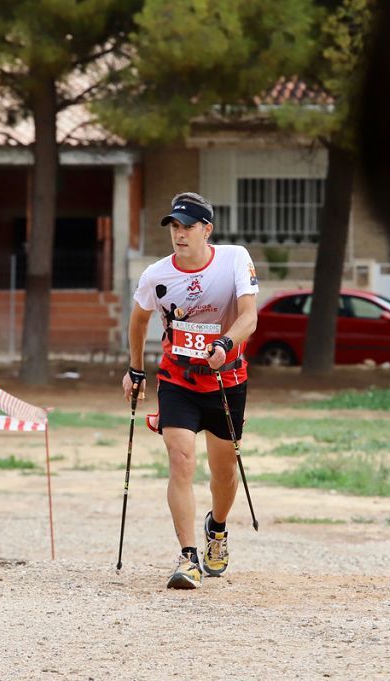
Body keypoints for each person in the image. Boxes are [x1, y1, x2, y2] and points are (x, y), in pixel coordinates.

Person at [121, 191, 259, 589]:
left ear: (207, 230)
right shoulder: (157, 275)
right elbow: (138, 320)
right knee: (181, 460)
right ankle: (188, 557)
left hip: (225, 380)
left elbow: (249, 317)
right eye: (175, 228)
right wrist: (135, 369)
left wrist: (225, 344)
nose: (180, 235)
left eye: (188, 227)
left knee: (224, 472)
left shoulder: (234, 259)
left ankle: (216, 527)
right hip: (176, 379)